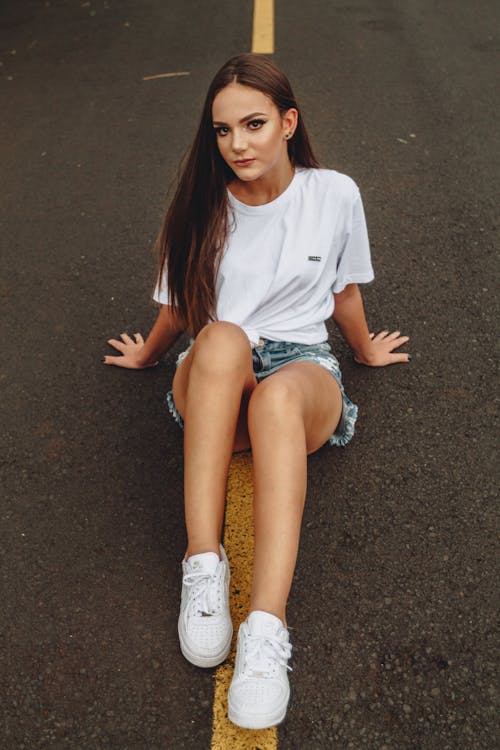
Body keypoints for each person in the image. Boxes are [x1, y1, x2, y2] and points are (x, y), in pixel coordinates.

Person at [103, 53, 410, 730]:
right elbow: (182, 308)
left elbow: (345, 289)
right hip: (217, 380)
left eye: (254, 124)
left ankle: (265, 631)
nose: (238, 143)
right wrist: (149, 354)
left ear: (287, 123)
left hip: (299, 376)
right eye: (222, 130)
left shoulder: (334, 195)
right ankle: (202, 564)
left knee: (276, 399)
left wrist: (361, 350)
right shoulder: (196, 206)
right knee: (222, 338)